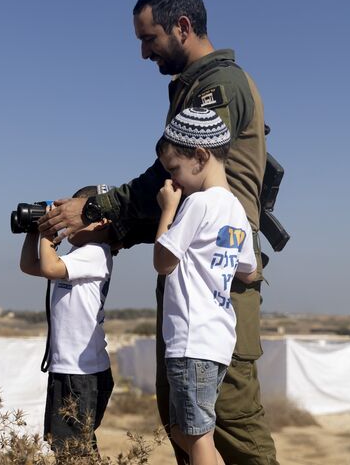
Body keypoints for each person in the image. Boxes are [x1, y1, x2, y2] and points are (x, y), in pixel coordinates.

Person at [38, 0, 278, 464]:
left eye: (150, 39)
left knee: (228, 427)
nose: (145, 53)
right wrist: (116, 227)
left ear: (182, 26)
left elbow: (164, 186)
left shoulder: (219, 87)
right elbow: (177, 200)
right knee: (185, 425)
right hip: (194, 287)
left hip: (214, 293)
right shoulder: (195, 88)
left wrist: (94, 208)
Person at [154, 107, 257, 465]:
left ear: (200, 157)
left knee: (194, 438)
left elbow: (163, 261)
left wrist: (168, 209)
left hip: (190, 339)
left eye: (174, 171)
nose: (174, 182)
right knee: (196, 435)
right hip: (217, 339)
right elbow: (248, 271)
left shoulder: (196, 203)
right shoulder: (236, 210)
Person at [19, 185, 115, 456]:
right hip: (70, 369)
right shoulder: (79, 256)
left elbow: (49, 267)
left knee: (72, 450)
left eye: (77, 214)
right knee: (68, 446)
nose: (68, 221)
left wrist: (49, 232)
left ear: (102, 221)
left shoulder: (97, 251)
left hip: (80, 372)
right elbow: (29, 266)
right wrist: (35, 231)